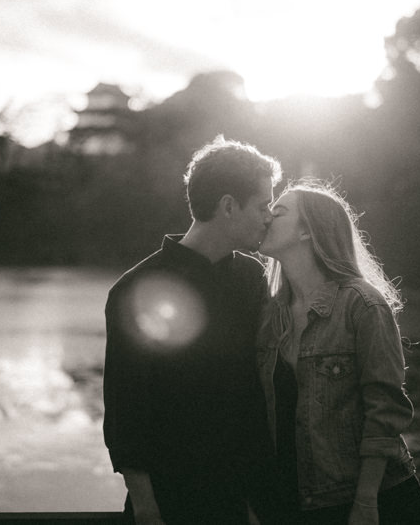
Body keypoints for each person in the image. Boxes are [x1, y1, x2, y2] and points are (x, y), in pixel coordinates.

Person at [102, 136, 284, 525]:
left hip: (247, 500)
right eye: (264, 204)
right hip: (171, 503)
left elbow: (255, 392)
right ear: (229, 206)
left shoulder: (252, 279)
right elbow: (126, 410)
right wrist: (147, 508)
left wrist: (257, 504)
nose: (270, 215)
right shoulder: (136, 288)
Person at [256, 179, 420, 524]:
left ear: (307, 232)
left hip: (369, 498)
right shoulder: (269, 313)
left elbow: (384, 407)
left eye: (277, 212)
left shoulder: (363, 304)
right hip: (295, 499)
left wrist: (366, 500)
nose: (265, 218)